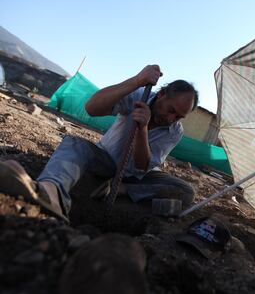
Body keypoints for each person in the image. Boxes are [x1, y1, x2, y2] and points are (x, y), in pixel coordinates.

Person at [0, 65, 198, 222]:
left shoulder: (175, 132)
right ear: (162, 93)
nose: (172, 119)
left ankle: (120, 190)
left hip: (136, 178)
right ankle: (51, 192)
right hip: (106, 161)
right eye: (171, 110)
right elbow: (91, 108)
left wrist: (143, 129)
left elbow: (142, 165)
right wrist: (137, 81)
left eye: (179, 117)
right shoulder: (139, 97)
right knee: (75, 144)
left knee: (187, 192)